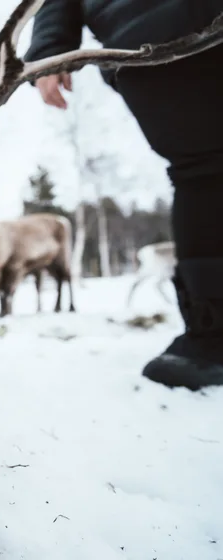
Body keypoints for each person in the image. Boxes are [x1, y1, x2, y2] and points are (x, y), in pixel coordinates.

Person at [25, 0, 223, 390]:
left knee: (200, 174)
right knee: (202, 173)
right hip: (159, 43)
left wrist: (49, 51)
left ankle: (212, 332)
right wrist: (49, 51)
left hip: (141, 44)